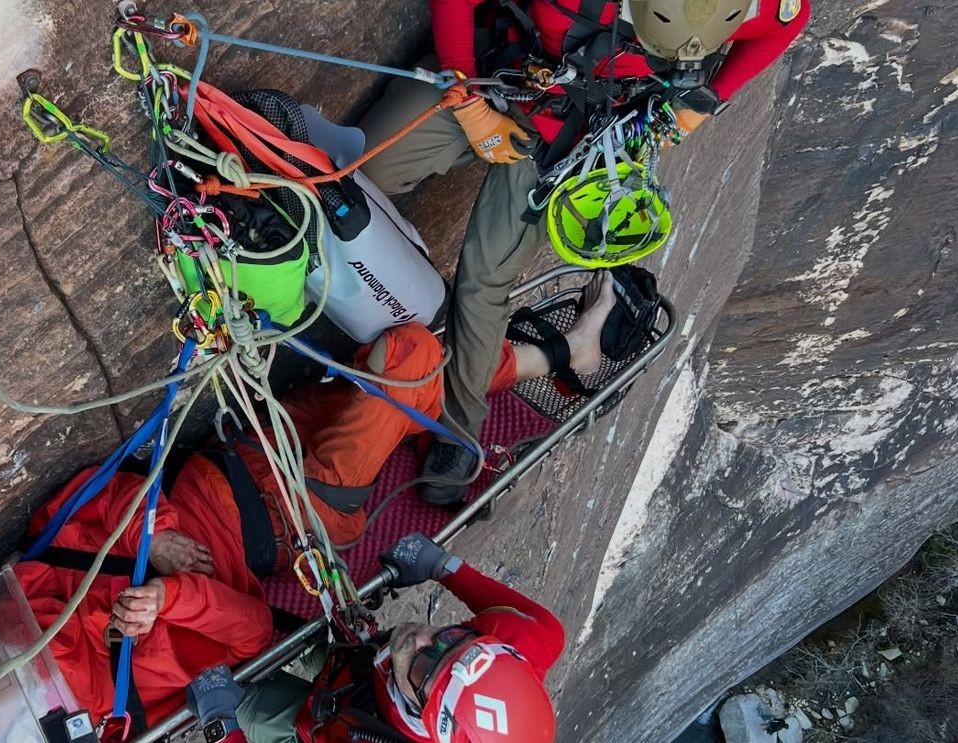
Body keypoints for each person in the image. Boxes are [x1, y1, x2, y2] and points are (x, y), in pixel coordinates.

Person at [356, 0, 810, 503]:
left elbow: (787, 23)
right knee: (360, 170)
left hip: (576, 142)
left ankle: (459, 430)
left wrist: (702, 101)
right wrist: (468, 103)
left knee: (485, 282)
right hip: (491, 81)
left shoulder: (751, 5)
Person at [235, 270, 616, 557]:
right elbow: (247, 630)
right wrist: (171, 593)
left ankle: (561, 354)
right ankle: (561, 354)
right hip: (300, 509)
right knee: (410, 356)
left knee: (411, 379)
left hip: (266, 454)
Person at [186, 532, 566, 742]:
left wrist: (222, 725)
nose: (422, 637)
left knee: (226, 692)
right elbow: (539, 624)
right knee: (279, 628)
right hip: (361, 664)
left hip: (327, 730)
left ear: (424, 714)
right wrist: (441, 566)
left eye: (425, 664)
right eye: (450, 638)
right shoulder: (524, 642)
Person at [13, 457, 275, 727]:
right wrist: (162, 587)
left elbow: (51, 536)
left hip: (233, 495)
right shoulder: (107, 707)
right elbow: (256, 630)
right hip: (237, 496)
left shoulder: (96, 705)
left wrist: (153, 548)